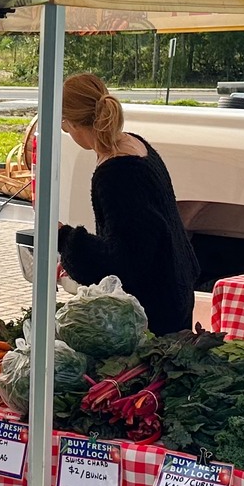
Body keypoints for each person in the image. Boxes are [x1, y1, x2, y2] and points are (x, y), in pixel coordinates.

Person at [56, 73, 198, 334]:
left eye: (64, 126)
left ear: (73, 124)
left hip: (152, 309)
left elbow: (122, 261)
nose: (66, 132)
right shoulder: (133, 143)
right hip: (173, 285)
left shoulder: (116, 173)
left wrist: (65, 239)